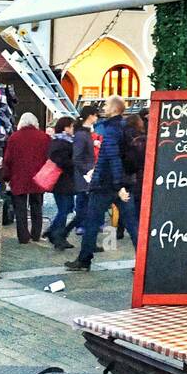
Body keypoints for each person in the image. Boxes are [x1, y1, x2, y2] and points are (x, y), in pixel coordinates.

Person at [67, 96, 138, 272]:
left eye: (106, 105)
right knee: (132, 223)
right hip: (123, 182)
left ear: (114, 109)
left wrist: (117, 185)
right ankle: (144, 261)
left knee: (92, 221)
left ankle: (84, 260)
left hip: (106, 185)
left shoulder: (111, 130)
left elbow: (113, 159)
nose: (103, 107)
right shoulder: (126, 128)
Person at [1, 112, 51, 245]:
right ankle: (36, 233)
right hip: (38, 177)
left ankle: (23, 237)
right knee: (37, 206)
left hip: (19, 177)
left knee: (20, 208)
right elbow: (48, 159)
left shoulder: (14, 138)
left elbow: (8, 160)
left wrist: (6, 177)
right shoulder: (44, 137)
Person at [44, 116, 77, 250]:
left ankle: (53, 232)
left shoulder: (61, 141)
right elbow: (62, 161)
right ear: (66, 127)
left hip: (64, 182)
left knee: (67, 207)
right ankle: (57, 235)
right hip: (62, 182)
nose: (73, 129)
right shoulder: (61, 142)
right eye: (72, 126)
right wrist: (75, 163)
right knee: (64, 209)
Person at [71, 104, 99, 235]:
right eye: (95, 115)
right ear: (90, 116)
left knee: (85, 200)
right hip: (85, 174)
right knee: (83, 200)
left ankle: (84, 224)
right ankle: (80, 225)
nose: (97, 117)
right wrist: (87, 171)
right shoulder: (82, 134)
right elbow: (77, 157)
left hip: (86, 172)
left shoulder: (84, 133)